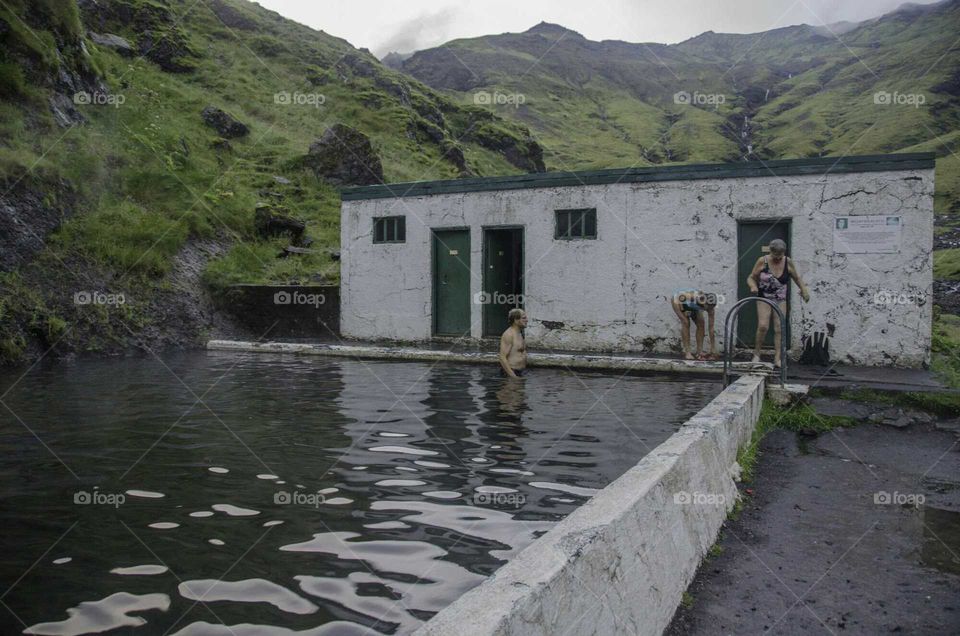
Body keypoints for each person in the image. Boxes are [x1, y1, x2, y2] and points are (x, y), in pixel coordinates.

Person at [746, 239, 811, 368]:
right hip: (764, 297)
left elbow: (797, 278)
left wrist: (804, 290)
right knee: (763, 326)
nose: (777, 259)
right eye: (775, 256)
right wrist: (753, 286)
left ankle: (778, 358)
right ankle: (757, 354)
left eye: (780, 256)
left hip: (780, 299)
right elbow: (751, 277)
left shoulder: (788, 262)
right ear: (770, 252)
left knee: (779, 328)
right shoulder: (762, 261)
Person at [670, 290, 718, 360]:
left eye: (709, 309)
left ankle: (699, 352)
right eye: (706, 308)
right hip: (678, 301)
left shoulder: (711, 309)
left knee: (701, 324)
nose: (708, 310)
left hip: (693, 306)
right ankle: (687, 352)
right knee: (686, 322)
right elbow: (676, 298)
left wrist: (713, 349)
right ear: (703, 302)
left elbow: (711, 328)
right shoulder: (694, 297)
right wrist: (683, 311)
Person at [499, 308, 527, 378]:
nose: (527, 320)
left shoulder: (520, 333)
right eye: (524, 318)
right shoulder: (509, 334)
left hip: (520, 372)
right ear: (516, 320)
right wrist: (513, 376)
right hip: (511, 373)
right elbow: (502, 357)